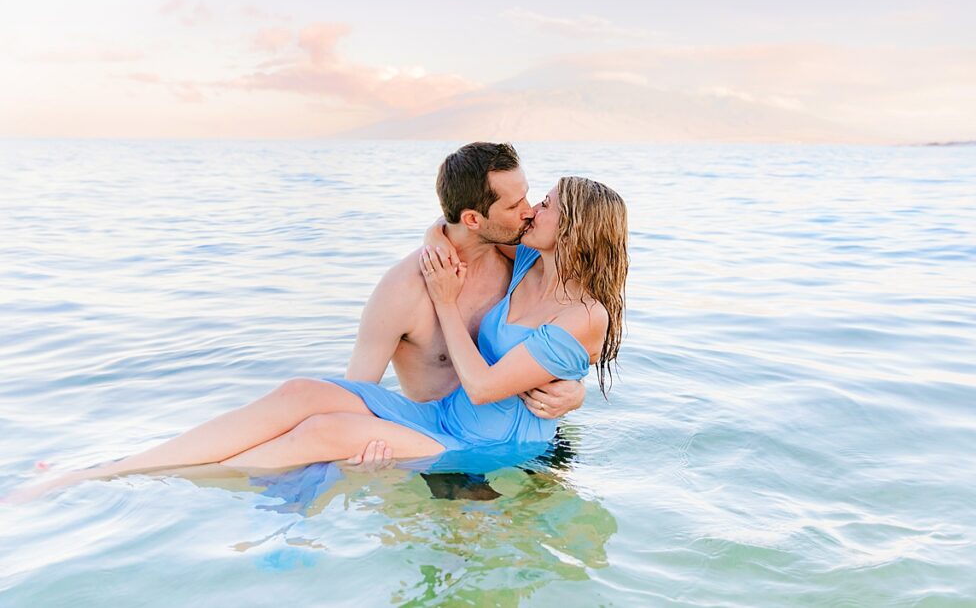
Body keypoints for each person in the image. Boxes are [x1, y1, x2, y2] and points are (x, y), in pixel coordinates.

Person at [6, 143, 596, 500]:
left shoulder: (523, 257)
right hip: (428, 431)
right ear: (472, 216)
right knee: (303, 397)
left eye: (530, 200)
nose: (528, 212)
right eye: (516, 204)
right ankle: (115, 471)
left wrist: (577, 392)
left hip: (492, 449)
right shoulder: (406, 287)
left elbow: (573, 323)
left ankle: (144, 482)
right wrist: (356, 448)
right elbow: (354, 391)